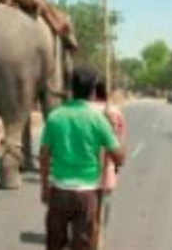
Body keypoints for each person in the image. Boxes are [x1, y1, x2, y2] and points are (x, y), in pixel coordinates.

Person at [39, 67, 126, 250]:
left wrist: (45, 188)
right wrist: (114, 135)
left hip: (59, 192)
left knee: (54, 244)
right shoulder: (98, 119)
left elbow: (44, 156)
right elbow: (119, 158)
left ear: (71, 89)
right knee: (84, 245)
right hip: (87, 195)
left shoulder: (55, 117)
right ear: (93, 91)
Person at [90, 79, 127, 192]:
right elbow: (120, 138)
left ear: (94, 92)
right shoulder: (116, 112)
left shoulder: (86, 110)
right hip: (107, 162)